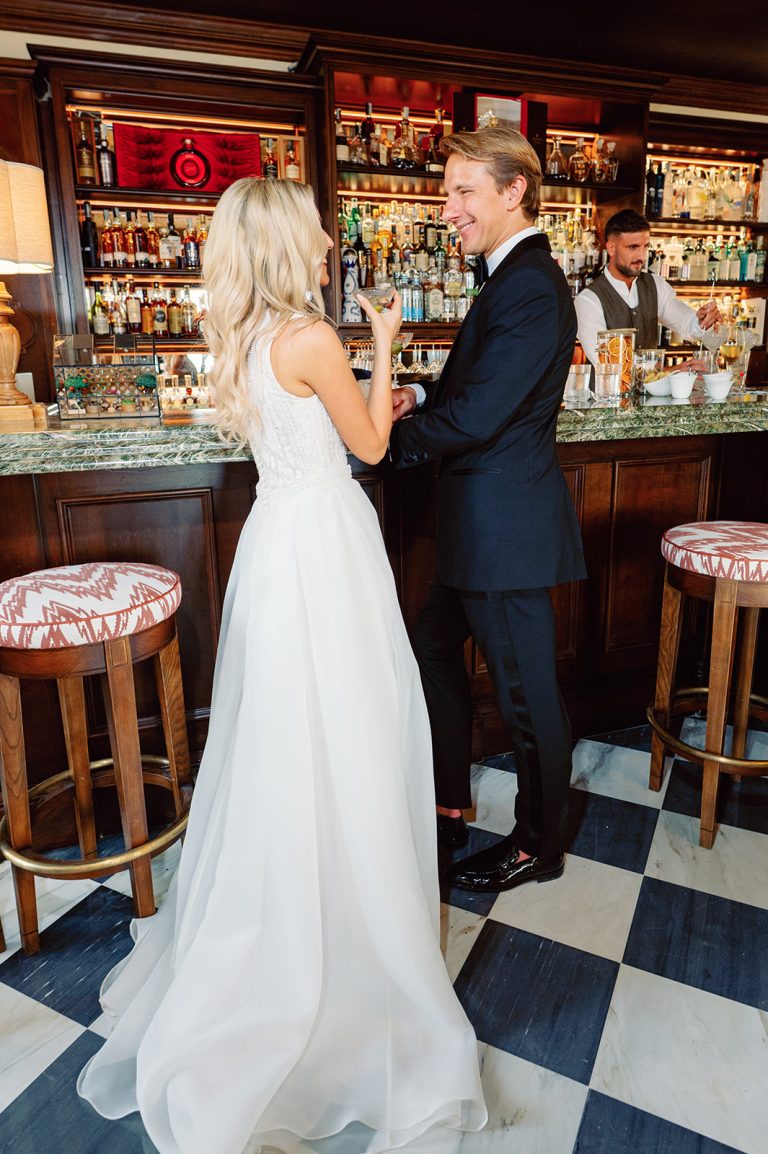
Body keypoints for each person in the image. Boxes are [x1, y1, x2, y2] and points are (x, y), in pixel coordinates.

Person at [77, 178, 486, 1154]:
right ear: (289, 242)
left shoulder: (250, 336)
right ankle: (350, 926)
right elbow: (376, 448)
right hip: (326, 552)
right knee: (349, 729)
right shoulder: (312, 336)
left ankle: (289, 909)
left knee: (282, 741)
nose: (321, 240)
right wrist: (384, 342)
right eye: (311, 230)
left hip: (274, 547)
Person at [390, 126, 586, 893]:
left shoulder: (532, 284)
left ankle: (540, 844)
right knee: (432, 643)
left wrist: (382, 444)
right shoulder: (508, 278)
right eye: (447, 191)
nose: (449, 208)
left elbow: (480, 420)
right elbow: (474, 395)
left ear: (514, 191)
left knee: (528, 697)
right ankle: (448, 800)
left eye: (463, 191)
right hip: (480, 529)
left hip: (504, 530)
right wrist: (420, 394)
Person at [574, 208, 721, 366]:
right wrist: (666, 372)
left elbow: (685, 323)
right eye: (633, 247)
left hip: (653, 392)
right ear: (611, 248)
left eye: (645, 246)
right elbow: (608, 362)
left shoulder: (656, 285)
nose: (641, 256)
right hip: (604, 391)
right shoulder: (588, 301)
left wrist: (701, 321)